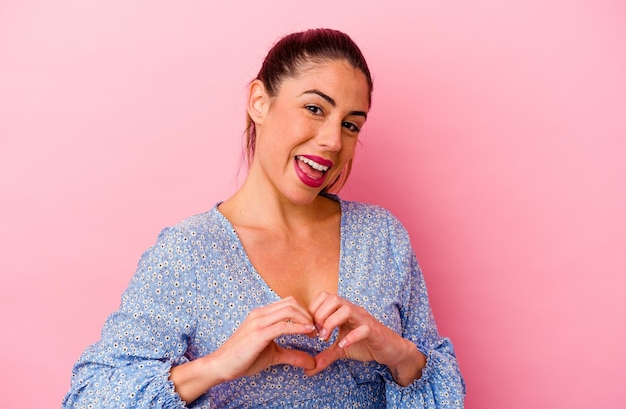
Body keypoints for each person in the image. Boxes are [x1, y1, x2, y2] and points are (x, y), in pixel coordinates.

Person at [63, 28, 465, 408]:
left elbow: (443, 394)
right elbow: (91, 397)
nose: (333, 141)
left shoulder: (382, 237)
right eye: (313, 108)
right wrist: (215, 366)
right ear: (259, 101)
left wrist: (399, 353)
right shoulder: (189, 252)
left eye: (350, 125)